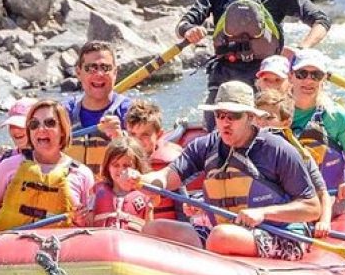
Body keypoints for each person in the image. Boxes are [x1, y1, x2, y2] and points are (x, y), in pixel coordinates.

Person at [136, 81, 321, 260]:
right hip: (224, 232)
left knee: (221, 237)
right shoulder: (204, 146)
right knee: (154, 229)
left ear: (250, 117)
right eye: (220, 115)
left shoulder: (277, 149)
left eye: (233, 116)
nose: (225, 122)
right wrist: (141, 181)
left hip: (280, 234)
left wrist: (264, 213)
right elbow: (166, 177)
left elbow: (312, 208)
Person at [176, 0, 331, 129]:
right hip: (225, 74)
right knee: (216, 129)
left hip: (267, 76)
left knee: (266, 127)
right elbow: (182, 25)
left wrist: (302, 48)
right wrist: (189, 30)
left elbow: (321, 20)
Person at [0, 99, 94, 249]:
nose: (41, 129)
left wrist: (82, 220)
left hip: (59, 251)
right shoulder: (8, 166)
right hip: (7, 250)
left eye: (49, 123)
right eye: (34, 125)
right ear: (29, 132)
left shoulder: (82, 174)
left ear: (63, 130)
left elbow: (90, 226)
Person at [289, 49, 345, 219]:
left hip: (329, 196)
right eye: (302, 74)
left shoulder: (337, 116)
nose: (309, 80)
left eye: (316, 75)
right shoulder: (277, 112)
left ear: (323, 80)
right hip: (290, 197)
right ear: (291, 76)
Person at [254, 89, 335, 238]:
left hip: (284, 224)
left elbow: (323, 193)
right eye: (257, 117)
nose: (261, 124)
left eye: (268, 118)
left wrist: (324, 222)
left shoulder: (299, 155)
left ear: (286, 122)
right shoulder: (243, 148)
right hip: (251, 217)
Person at [62, 41, 132, 175]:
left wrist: (120, 138)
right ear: (78, 72)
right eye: (91, 68)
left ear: (115, 72)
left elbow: (142, 160)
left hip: (113, 192)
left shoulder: (129, 112)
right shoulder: (64, 112)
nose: (99, 74)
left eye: (105, 68)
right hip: (72, 190)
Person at [124, 99, 186, 220]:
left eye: (145, 135)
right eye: (132, 135)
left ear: (158, 135)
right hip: (133, 231)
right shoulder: (119, 165)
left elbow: (182, 209)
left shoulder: (169, 166)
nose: (137, 141)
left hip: (165, 230)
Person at [89, 136, 155, 232]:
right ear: (107, 167)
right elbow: (88, 223)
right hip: (104, 243)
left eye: (127, 165)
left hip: (131, 244)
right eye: (116, 165)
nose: (121, 170)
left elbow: (150, 231)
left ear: (137, 167)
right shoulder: (96, 192)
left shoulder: (146, 194)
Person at [0, 97, 35, 173]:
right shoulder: (3, 159)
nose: (15, 130)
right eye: (12, 125)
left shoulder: (51, 157)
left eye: (20, 125)